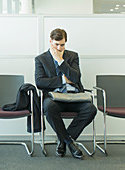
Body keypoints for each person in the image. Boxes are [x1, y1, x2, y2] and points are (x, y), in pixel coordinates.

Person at [35, 28, 97, 159]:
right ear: (50, 42)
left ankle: (63, 140)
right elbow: (40, 82)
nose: (59, 47)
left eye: (62, 44)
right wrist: (63, 79)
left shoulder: (72, 56)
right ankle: (70, 142)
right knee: (48, 106)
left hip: (74, 97)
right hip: (54, 99)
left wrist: (61, 62)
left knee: (90, 109)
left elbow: (75, 78)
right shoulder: (41, 59)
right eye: (56, 44)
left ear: (65, 42)